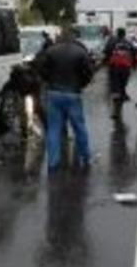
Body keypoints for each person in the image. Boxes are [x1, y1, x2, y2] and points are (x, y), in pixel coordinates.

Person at [39, 28, 94, 173]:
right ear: (73, 37)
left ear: (60, 37)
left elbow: (41, 69)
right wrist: (81, 85)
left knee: (54, 129)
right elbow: (89, 73)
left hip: (54, 93)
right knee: (79, 127)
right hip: (73, 93)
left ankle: (53, 162)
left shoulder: (51, 51)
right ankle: (85, 157)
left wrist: (49, 81)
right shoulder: (80, 51)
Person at [104, 28, 135, 120]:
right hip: (126, 68)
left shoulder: (112, 42)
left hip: (114, 68)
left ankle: (116, 111)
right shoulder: (128, 42)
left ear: (117, 33)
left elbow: (106, 52)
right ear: (124, 34)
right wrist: (132, 65)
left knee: (115, 88)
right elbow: (134, 53)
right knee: (122, 87)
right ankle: (120, 104)